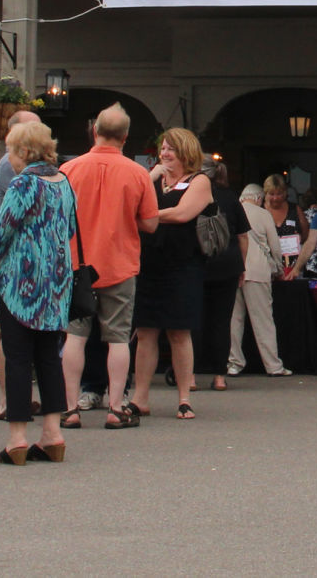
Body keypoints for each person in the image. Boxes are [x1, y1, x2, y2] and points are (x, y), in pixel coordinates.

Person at [59, 104, 158, 431]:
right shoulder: (137, 173)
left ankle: (70, 407)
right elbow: (150, 223)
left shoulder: (69, 170)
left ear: (94, 131)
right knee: (117, 338)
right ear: (126, 136)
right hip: (119, 264)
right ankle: (116, 408)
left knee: (75, 336)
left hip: (77, 266)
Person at [0, 120, 76, 463]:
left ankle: (18, 438)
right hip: (56, 284)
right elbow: (70, 229)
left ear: (23, 151)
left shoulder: (23, 184)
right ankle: (53, 433)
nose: (9, 156)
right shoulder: (64, 182)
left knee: (19, 358)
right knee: (49, 357)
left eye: (10, 149)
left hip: (21, 285)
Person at [130, 128, 212, 420]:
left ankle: (184, 397)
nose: (165, 154)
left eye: (171, 149)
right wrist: (149, 178)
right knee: (146, 330)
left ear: (186, 152)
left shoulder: (199, 181)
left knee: (179, 331)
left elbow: (182, 213)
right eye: (163, 149)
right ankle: (140, 398)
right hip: (150, 261)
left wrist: (147, 216)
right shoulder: (153, 180)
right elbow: (129, 202)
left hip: (183, 264)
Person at [193, 161, 249, 392]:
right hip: (227, 263)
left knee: (193, 321)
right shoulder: (231, 198)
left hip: (198, 263)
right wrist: (242, 266)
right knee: (221, 321)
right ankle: (219, 375)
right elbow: (243, 236)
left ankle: (191, 376)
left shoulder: (192, 195)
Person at [228, 183, 290, 377]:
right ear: (258, 198)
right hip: (257, 271)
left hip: (234, 269)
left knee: (234, 320)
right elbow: (275, 247)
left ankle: (234, 363)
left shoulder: (232, 211)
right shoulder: (263, 214)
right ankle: (273, 365)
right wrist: (279, 269)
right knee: (263, 320)